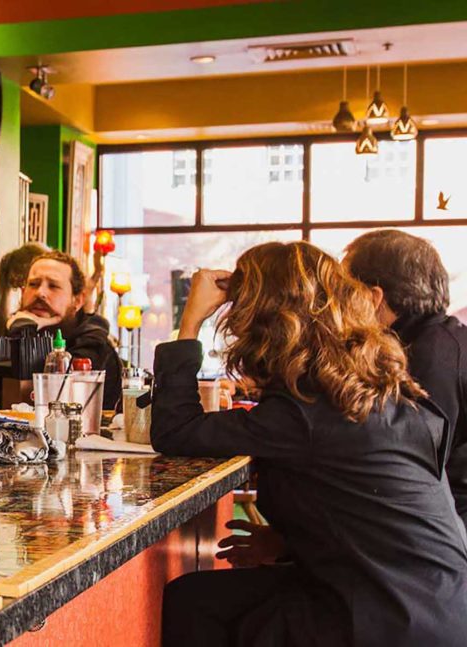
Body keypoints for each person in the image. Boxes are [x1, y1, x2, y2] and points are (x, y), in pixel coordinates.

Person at [154, 242, 467, 647]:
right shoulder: (373, 389)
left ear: (262, 323)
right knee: (198, 600)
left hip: (387, 619)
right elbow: (381, 513)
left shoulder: (304, 411)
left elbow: (175, 432)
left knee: (196, 604)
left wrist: (190, 322)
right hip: (438, 607)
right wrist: (289, 545)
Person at [344, 229, 467, 525]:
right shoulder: (441, 341)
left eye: (344, 291)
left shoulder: (428, 358)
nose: (338, 305)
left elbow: (406, 474)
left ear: (373, 297)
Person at [7, 251, 122, 409]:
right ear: (22, 292)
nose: (40, 293)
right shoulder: (16, 327)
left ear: (78, 300)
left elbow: (46, 400)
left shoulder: (92, 344)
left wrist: (25, 333)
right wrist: (22, 330)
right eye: (33, 284)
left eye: (53, 286)